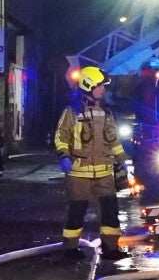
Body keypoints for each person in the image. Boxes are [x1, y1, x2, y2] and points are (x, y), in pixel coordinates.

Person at [55, 66, 129, 259]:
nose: (103, 89)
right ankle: (70, 249)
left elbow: (113, 139)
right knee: (76, 213)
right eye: (100, 86)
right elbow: (61, 136)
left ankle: (111, 249)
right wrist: (64, 156)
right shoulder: (72, 111)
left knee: (110, 213)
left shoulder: (106, 111)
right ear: (88, 85)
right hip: (79, 173)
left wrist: (122, 161)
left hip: (104, 173)